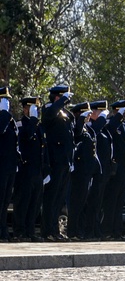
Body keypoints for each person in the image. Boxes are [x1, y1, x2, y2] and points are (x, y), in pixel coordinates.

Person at [41, 84, 75, 241]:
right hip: (54, 160)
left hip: (65, 161)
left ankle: (55, 230)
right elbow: (48, 117)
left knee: (59, 199)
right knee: (51, 198)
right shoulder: (49, 109)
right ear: (57, 97)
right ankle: (48, 230)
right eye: (63, 97)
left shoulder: (65, 113)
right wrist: (60, 102)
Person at [12, 96, 45, 241]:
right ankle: (20, 231)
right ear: (25, 109)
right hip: (25, 170)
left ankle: (30, 231)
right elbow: (26, 136)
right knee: (23, 202)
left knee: (34, 203)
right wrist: (32, 120)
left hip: (37, 170)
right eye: (32, 108)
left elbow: (43, 148)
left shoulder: (37, 126)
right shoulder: (20, 124)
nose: (35, 111)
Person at [67, 101, 98, 240]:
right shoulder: (76, 127)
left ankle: (80, 230)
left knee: (83, 203)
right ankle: (72, 231)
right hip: (79, 171)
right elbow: (76, 135)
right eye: (86, 114)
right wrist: (80, 120)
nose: (88, 116)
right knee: (76, 203)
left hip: (87, 171)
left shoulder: (87, 129)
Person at [82, 100, 113, 239]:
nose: (102, 116)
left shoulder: (103, 128)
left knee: (98, 204)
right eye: (99, 112)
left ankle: (96, 229)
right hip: (93, 171)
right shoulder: (90, 127)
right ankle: (89, 230)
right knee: (92, 203)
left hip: (103, 171)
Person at [101, 100, 125, 240]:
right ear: (116, 111)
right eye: (123, 112)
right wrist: (117, 116)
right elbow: (110, 129)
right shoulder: (110, 123)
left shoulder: (124, 126)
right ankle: (107, 231)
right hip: (114, 168)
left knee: (119, 203)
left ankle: (117, 232)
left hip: (124, 168)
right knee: (111, 203)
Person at [0, 86, 19, 241]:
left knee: (5, 201)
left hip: (9, 166)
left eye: (7, 100)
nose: (7, 103)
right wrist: (3, 114)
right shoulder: (3, 118)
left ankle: (3, 230)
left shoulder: (8, 119)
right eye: (3, 100)